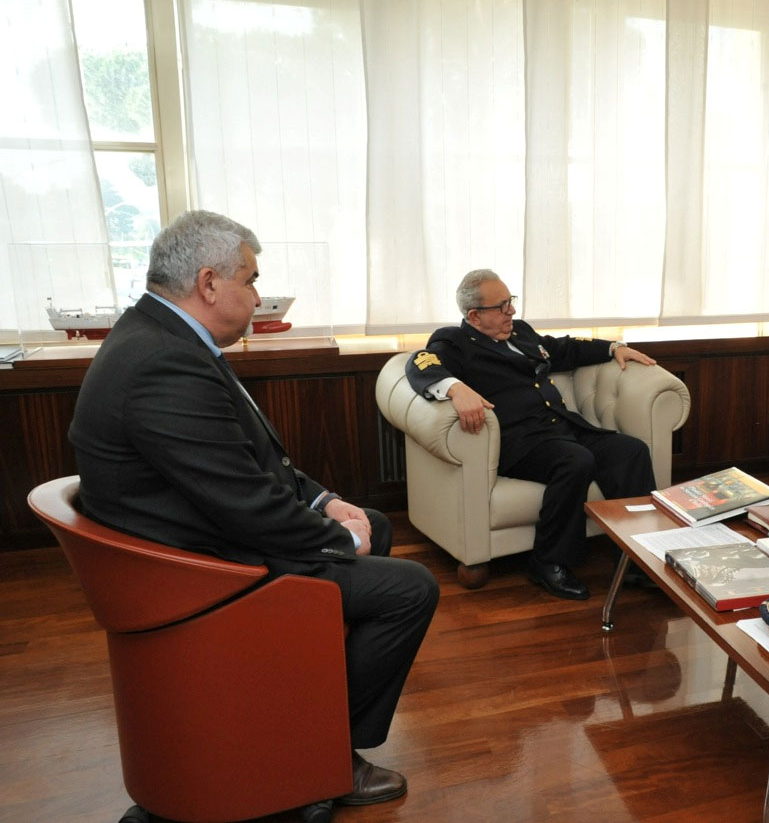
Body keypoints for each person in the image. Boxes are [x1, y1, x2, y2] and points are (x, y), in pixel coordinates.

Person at [69, 210, 437, 809]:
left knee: (378, 524)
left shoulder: (161, 337)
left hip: (196, 539)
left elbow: (250, 462)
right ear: (210, 283)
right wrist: (339, 541)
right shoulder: (163, 362)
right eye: (253, 279)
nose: (260, 296)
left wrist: (326, 502)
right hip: (199, 572)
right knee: (410, 589)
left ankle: (307, 716)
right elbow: (244, 503)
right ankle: (323, 754)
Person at [404, 269, 658, 601]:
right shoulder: (453, 342)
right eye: (502, 306)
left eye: (511, 302)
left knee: (631, 451)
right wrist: (455, 389)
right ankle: (549, 561)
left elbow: (564, 349)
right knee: (575, 461)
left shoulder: (520, 332)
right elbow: (419, 364)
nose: (511, 311)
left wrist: (612, 348)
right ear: (475, 315)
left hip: (561, 427)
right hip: (519, 441)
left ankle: (637, 560)